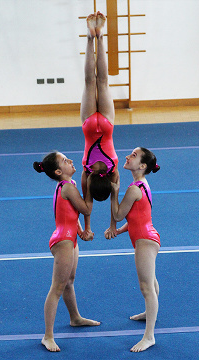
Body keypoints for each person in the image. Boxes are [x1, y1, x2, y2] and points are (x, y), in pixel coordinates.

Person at [33, 151, 100, 352]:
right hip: (63, 240)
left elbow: (70, 213)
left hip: (70, 237)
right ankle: (48, 336)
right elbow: (86, 209)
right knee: (57, 288)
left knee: (69, 282)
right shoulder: (68, 187)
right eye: (65, 160)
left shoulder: (66, 186)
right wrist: (91, 188)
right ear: (58, 171)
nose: (70, 160)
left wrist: (80, 231)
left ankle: (75, 318)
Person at [110, 147, 160, 352]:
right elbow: (137, 217)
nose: (127, 156)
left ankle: (149, 337)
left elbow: (119, 214)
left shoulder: (133, 189)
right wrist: (120, 232)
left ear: (142, 166)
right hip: (147, 235)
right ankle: (150, 314)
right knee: (152, 282)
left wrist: (114, 193)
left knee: (146, 287)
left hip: (144, 240)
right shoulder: (141, 184)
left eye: (133, 155)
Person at [81, 11, 119, 240]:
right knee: (90, 82)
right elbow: (87, 204)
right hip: (88, 126)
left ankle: (100, 37)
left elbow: (114, 196)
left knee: (101, 82)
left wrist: (113, 224)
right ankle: (90, 37)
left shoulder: (113, 172)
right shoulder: (86, 172)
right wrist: (88, 228)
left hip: (105, 125)